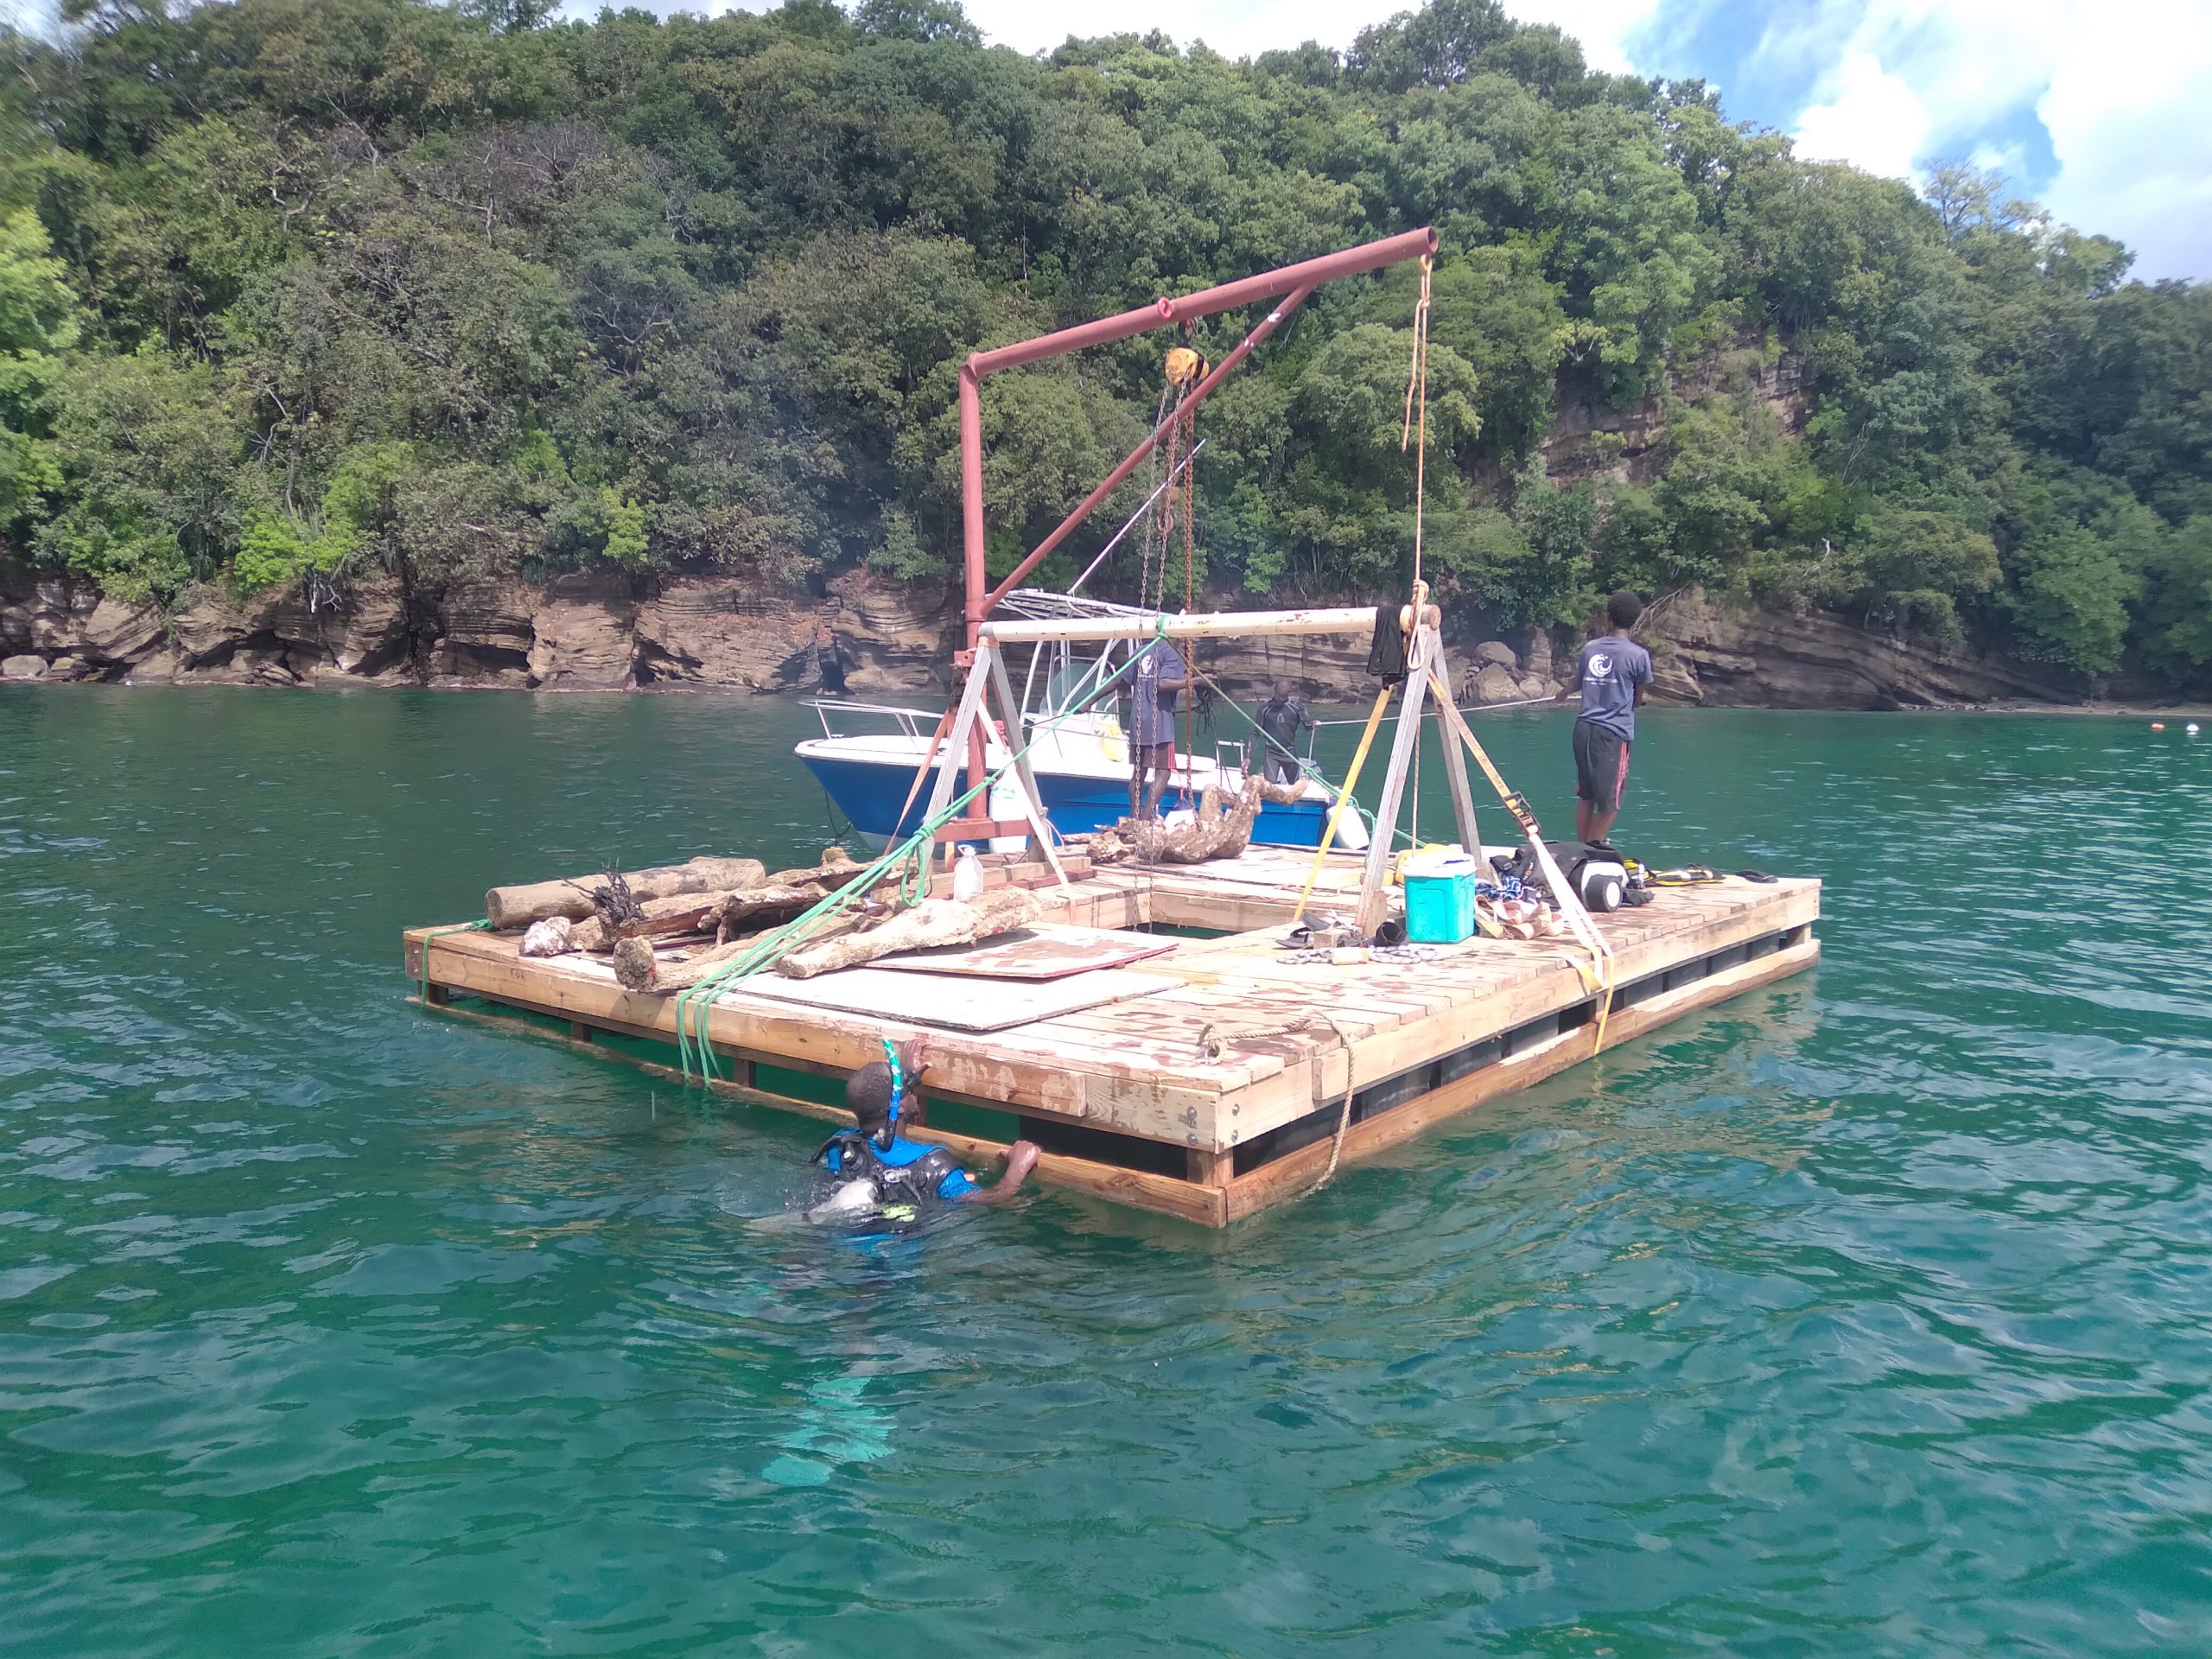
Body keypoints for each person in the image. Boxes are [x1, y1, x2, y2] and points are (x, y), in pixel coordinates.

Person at [808, 1038, 1039, 1224]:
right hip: (899, 1267)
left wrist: (907, 1074)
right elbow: (994, 1200)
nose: (911, 1088)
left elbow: (884, 1106)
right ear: (899, 1106)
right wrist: (1017, 1168)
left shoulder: (840, 1145)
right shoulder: (933, 1163)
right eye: (905, 1087)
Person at [1557, 591, 1652, 846]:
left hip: (1583, 729)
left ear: (1608, 618)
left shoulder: (1591, 648)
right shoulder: (1639, 656)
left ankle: (1581, 846)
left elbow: (1577, 682)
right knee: (1610, 804)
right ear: (1634, 621)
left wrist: (1563, 693)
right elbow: (1637, 698)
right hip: (1612, 734)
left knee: (1586, 796)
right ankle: (1590, 849)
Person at [1122, 638, 1187, 819]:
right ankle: (1144, 821)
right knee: (1164, 773)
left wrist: (1090, 702)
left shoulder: (1140, 651)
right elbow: (1162, 683)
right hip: (1160, 723)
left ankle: (1134, 819)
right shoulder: (1170, 654)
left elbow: (1121, 680)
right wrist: (1194, 682)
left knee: (1138, 771)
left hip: (1138, 720)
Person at [1254, 680, 1313, 784]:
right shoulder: (1264, 709)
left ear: (1289, 692)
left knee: (1294, 786)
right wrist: (1248, 757)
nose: (1280, 698)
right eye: (1278, 695)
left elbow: (1308, 726)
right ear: (1274, 690)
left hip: (1289, 753)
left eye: (1283, 695)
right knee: (1269, 786)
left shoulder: (1297, 707)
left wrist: (1314, 724)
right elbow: (1255, 733)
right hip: (1272, 753)